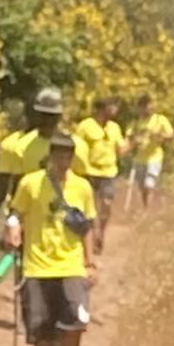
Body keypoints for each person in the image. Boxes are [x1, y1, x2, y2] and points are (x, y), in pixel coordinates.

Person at [9, 132, 97, 346]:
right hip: (37, 267)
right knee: (41, 331)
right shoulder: (30, 184)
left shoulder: (82, 187)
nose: (63, 160)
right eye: (58, 154)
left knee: (76, 322)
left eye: (68, 155)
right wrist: (13, 229)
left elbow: (86, 227)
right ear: (50, 156)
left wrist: (90, 262)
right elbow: (16, 213)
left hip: (70, 265)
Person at [0, 87, 63, 238]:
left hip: (57, 213)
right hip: (26, 213)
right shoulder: (18, 146)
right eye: (43, 115)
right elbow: (5, 183)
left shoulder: (68, 146)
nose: (46, 120)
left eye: (52, 116)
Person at [71, 96, 124, 253]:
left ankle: (101, 231)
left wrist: (133, 142)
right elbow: (77, 147)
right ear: (102, 108)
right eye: (112, 106)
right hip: (89, 172)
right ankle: (93, 235)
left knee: (107, 204)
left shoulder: (114, 128)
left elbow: (120, 150)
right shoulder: (85, 126)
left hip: (108, 171)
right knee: (91, 207)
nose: (115, 110)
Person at [128, 94, 174, 213]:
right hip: (139, 158)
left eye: (148, 105)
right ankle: (147, 208)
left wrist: (160, 135)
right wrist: (135, 140)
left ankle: (147, 212)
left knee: (149, 184)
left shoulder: (160, 120)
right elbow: (129, 137)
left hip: (154, 157)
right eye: (143, 106)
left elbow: (171, 135)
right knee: (142, 187)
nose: (146, 108)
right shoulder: (136, 122)